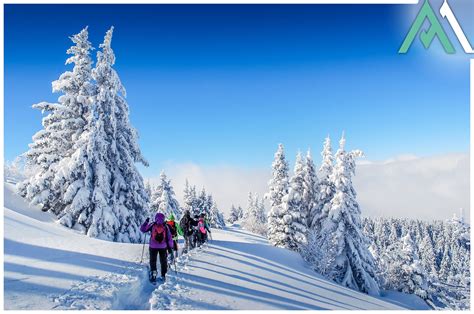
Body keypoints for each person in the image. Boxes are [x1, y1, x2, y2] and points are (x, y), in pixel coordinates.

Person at [140, 212, 174, 283]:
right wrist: (170, 247)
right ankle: (164, 275)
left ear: (156, 218)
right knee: (163, 261)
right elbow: (169, 238)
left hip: (153, 246)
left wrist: (146, 222)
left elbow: (142, 229)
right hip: (163, 247)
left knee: (153, 261)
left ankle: (153, 275)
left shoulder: (152, 225)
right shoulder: (166, 226)